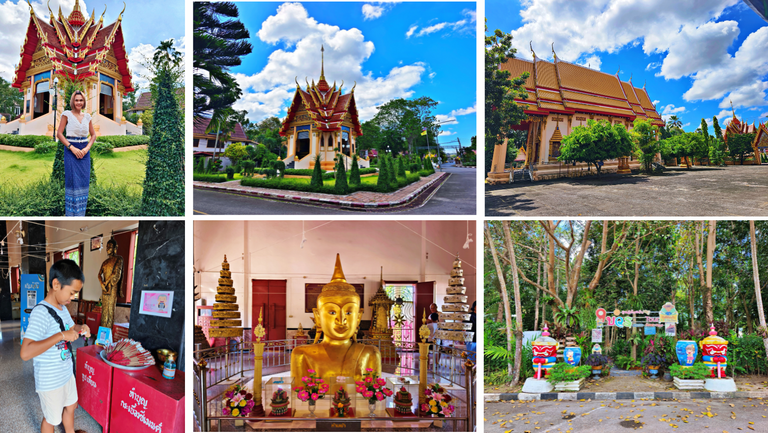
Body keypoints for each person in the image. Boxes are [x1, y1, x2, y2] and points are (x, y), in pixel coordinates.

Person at [20, 259, 91, 433]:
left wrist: (80, 328)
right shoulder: (40, 313)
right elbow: (25, 352)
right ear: (56, 284)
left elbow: (70, 327)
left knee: (71, 405)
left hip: (66, 373)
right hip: (50, 380)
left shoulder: (62, 308)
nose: (73, 298)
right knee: (51, 418)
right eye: (72, 292)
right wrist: (60, 336)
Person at [57, 90, 96, 216]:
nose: (79, 102)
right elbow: (59, 133)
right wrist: (71, 147)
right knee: (72, 183)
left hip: (84, 152)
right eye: (76, 100)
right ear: (73, 101)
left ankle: (81, 214)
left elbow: (93, 135)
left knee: (84, 182)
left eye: (81, 100)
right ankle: (70, 215)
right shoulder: (66, 114)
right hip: (71, 151)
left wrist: (87, 148)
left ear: (84, 102)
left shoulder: (87, 117)